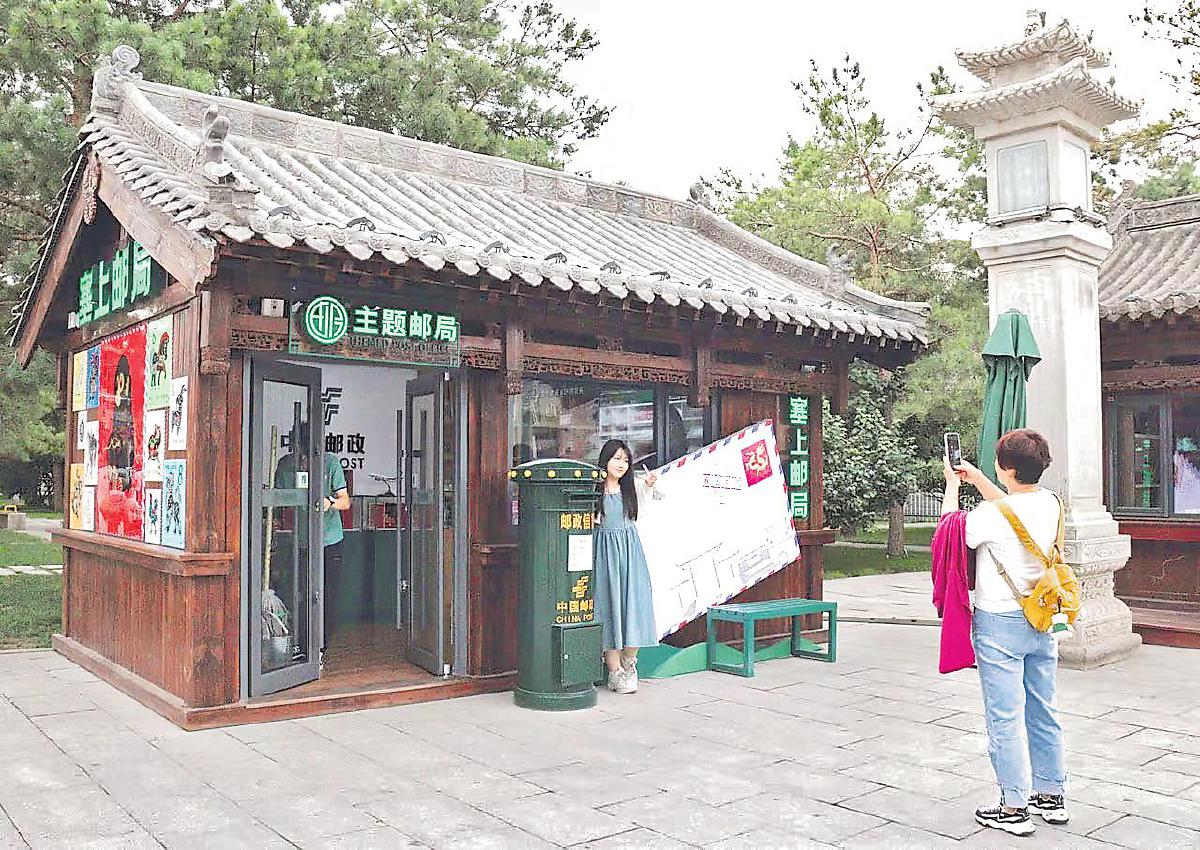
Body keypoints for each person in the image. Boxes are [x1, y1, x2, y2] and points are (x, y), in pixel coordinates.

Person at [943, 428, 1069, 836]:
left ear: (1007, 468)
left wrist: (952, 486)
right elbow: (1013, 511)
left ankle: (1013, 806)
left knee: (1004, 717)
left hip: (999, 623)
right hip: (1043, 617)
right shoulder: (1051, 503)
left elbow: (949, 533)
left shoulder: (987, 517)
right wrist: (980, 479)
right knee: (1043, 709)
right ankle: (1051, 795)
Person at [274, 423, 350, 666]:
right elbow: (276, 501)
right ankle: (300, 644)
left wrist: (329, 502)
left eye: (307, 453)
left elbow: (345, 501)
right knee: (300, 593)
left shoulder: (330, 463)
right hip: (301, 541)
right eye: (300, 453)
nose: (303, 459)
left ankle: (319, 647)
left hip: (329, 541)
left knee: (327, 596)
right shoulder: (285, 465)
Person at [594, 439, 659, 694]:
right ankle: (614, 671)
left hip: (631, 554)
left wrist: (649, 486)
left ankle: (629, 661)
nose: (621, 464)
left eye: (625, 460)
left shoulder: (632, 489)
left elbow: (644, 511)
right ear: (605, 461)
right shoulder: (594, 492)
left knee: (636, 604)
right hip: (604, 555)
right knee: (609, 606)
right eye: (616, 458)